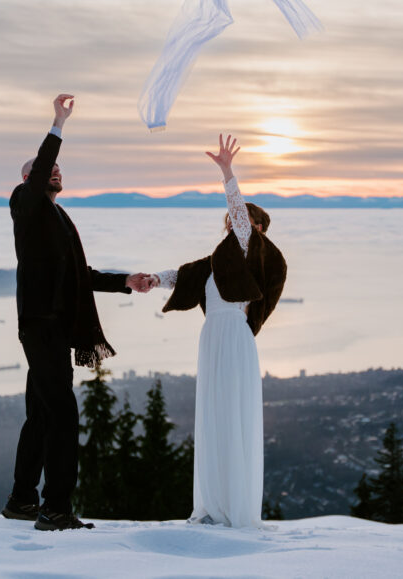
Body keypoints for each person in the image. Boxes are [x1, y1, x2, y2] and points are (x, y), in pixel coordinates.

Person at [2, 93, 153, 531]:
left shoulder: (57, 216)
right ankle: (56, 508)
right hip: (42, 326)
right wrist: (58, 124)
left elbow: (77, 274)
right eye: (46, 168)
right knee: (63, 417)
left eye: (58, 169)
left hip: (51, 327)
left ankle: (22, 499)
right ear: (29, 178)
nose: (55, 171)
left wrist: (124, 280)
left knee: (41, 415)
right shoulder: (26, 204)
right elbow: (39, 172)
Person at [151, 134, 287, 528]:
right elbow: (186, 275)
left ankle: (232, 507)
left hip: (233, 338)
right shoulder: (220, 263)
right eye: (230, 221)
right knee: (213, 418)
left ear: (256, 229)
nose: (233, 225)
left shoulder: (253, 253)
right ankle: (212, 506)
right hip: (213, 338)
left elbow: (243, 224)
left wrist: (227, 173)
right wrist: (152, 279)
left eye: (240, 221)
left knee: (230, 416)